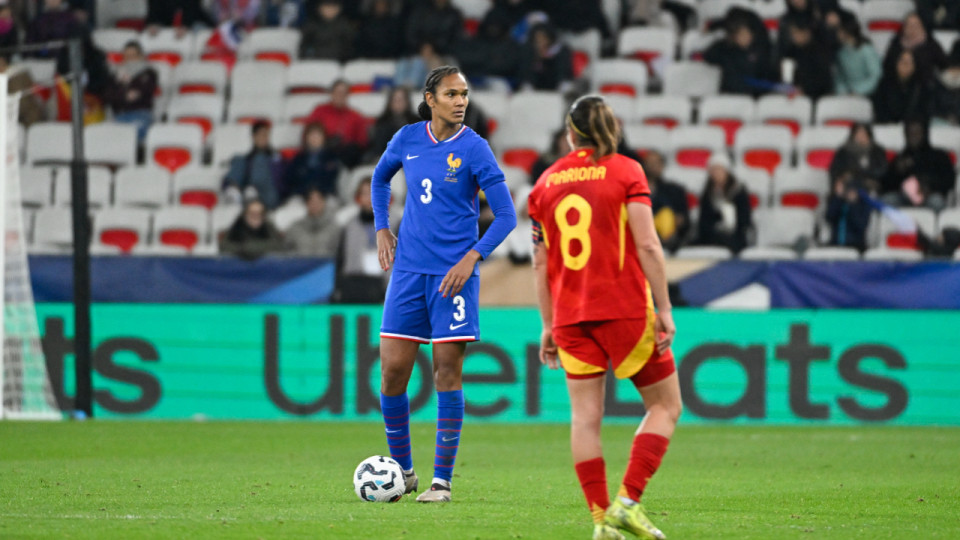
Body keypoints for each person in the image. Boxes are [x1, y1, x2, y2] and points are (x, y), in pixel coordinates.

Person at [528, 95, 679, 540]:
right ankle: (627, 503)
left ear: (570, 133)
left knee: (585, 419)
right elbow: (649, 244)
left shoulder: (545, 184)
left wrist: (548, 324)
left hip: (571, 316)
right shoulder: (627, 171)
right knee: (666, 406)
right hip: (624, 309)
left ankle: (600, 523)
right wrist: (665, 307)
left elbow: (541, 262)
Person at [371, 65, 517, 503]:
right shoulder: (408, 139)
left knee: (446, 374)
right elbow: (379, 179)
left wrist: (472, 259)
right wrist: (382, 228)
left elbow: (507, 216)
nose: (461, 101)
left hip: (453, 279)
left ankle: (441, 482)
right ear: (430, 98)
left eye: (465, 94)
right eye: (452, 94)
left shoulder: (475, 149)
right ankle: (404, 472)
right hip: (408, 274)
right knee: (393, 373)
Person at [882, 120, 955, 210]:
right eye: (910, 133)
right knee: (888, 200)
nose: (914, 137)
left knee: (936, 202)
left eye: (917, 133)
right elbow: (886, 185)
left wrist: (929, 187)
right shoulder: (900, 158)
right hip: (904, 198)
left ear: (924, 134)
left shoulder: (938, 156)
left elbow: (949, 180)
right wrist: (897, 172)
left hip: (930, 196)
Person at [304, 79, 370, 167]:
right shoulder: (320, 111)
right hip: (322, 151)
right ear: (331, 94)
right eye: (338, 93)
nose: (340, 96)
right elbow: (308, 133)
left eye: (343, 94)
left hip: (345, 157)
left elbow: (362, 143)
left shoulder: (356, 117)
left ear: (347, 95)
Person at [697, 152, 752, 254]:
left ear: (727, 171)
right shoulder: (708, 193)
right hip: (712, 237)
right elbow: (703, 220)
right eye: (714, 170)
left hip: (735, 236)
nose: (717, 174)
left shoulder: (738, 191)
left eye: (720, 170)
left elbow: (745, 219)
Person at [103, 41, 158, 142]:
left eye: (133, 56)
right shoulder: (115, 73)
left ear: (140, 56)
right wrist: (124, 91)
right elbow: (108, 96)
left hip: (141, 113)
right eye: (127, 56)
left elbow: (140, 94)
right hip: (118, 115)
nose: (130, 59)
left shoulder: (149, 72)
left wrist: (123, 88)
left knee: (134, 132)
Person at [222, 120, 284, 210]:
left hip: (269, 194)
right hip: (246, 189)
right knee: (238, 159)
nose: (263, 138)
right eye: (260, 135)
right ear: (254, 137)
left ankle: (251, 192)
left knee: (260, 159)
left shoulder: (276, 157)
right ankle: (235, 192)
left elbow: (281, 180)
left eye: (265, 135)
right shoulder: (246, 159)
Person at [643, 150, 690, 253]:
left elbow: (684, 218)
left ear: (662, 166)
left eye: (656, 163)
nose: (652, 166)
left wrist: (678, 220)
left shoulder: (674, 190)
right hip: (642, 233)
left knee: (666, 214)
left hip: (667, 236)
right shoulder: (635, 190)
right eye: (649, 163)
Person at [882, 12, 947, 86]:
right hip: (897, 86)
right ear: (904, 28)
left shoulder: (931, 44)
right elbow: (887, 66)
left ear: (922, 26)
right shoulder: (896, 43)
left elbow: (944, 66)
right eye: (909, 25)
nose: (912, 29)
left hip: (924, 87)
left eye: (916, 25)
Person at [872, 49, 935, 124]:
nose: (906, 64)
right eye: (902, 61)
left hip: (913, 128)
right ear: (896, 62)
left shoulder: (922, 86)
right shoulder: (884, 84)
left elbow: (925, 111)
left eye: (910, 62)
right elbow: (879, 108)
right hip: (888, 127)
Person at [282, 122, 340, 199]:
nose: (314, 138)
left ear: (324, 137)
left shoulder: (331, 157)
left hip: (325, 196)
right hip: (302, 196)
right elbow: (290, 179)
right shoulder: (298, 158)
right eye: (312, 135)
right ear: (306, 138)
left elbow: (333, 179)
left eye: (318, 135)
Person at [828, 123, 888, 195]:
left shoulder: (877, 151)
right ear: (853, 135)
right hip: (847, 185)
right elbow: (835, 170)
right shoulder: (843, 151)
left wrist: (857, 175)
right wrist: (838, 181)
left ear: (869, 135)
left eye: (863, 133)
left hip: (871, 184)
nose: (861, 136)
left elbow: (882, 170)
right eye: (858, 133)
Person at [833, 11, 882, 96]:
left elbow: (875, 76)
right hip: (846, 96)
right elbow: (840, 78)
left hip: (868, 94)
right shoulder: (841, 53)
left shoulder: (867, 50)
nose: (837, 34)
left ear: (847, 31)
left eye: (839, 31)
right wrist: (842, 92)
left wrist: (858, 91)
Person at [365, 86, 420, 163]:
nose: (398, 103)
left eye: (401, 100)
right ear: (390, 102)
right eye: (395, 100)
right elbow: (377, 147)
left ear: (407, 102)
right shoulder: (382, 122)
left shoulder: (417, 121)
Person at [219, 199, 286, 259]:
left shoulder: (268, 227)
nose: (256, 216)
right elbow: (224, 247)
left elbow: (279, 246)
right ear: (245, 214)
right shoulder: (237, 227)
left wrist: (253, 247)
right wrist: (244, 249)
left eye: (260, 213)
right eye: (252, 213)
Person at [518, 22, 573, 93]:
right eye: (537, 39)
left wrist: (549, 60)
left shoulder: (561, 51)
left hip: (556, 83)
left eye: (543, 38)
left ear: (549, 38)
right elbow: (524, 72)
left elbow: (565, 71)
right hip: (535, 85)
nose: (540, 41)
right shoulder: (529, 52)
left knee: (565, 86)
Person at [285, 189, 341, 256]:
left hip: (326, 265)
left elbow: (339, 253)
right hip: (302, 265)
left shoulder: (335, 229)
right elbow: (287, 252)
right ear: (306, 203)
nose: (315, 205)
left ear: (324, 202)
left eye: (318, 201)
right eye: (311, 201)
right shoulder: (295, 228)